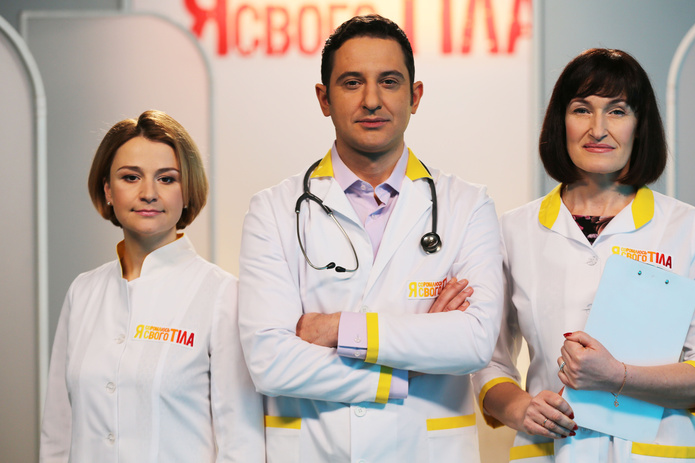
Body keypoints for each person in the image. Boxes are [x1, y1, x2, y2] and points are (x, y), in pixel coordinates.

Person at [238, 14, 503, 463]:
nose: (372, 100)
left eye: (389, 82)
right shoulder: (273, 210)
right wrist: (409, 365)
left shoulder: (468, 205)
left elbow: (474, 342)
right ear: (324, 99)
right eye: (352, 83)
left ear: (415, 96)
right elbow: (270, 362)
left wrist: (334, 329)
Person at [472, 48, 695, 462]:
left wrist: (619, 377)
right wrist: (520, 408)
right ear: (560, 122)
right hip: (550, 450)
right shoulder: (513, 230)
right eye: (582, 109)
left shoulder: (685, 227)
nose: (598, 129)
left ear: (639, 125)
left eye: (617, 111)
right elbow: (487, 360)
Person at [40, 110, 265, 462]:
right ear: (108, 190)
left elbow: (241, 445)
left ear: (188, 192)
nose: (148, 193)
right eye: (130, 177)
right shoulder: (83, 292)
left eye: (167, 179)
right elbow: (57, 433)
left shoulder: (222, 295)